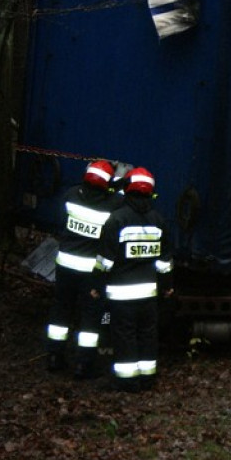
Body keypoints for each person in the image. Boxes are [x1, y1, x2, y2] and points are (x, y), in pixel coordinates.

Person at [92, 167, 174, 392]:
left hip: (121, 293)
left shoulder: (117, 220)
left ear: (128, 189)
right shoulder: (159, 221)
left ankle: (128, 380)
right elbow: (164, 262)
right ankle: (148, 377)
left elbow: (105, 260)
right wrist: (167, 287)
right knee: (148, 333)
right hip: (148, 293)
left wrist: (97, 285)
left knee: (124, 334)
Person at [45, 160, 122, 378]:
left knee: (61, 311)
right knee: (90, 318)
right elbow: (121, 201)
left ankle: (54, 357)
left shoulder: (70, 196)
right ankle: (83, 365)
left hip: (65, 266)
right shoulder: (112, 206)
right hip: (91, 273)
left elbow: (61, 222)